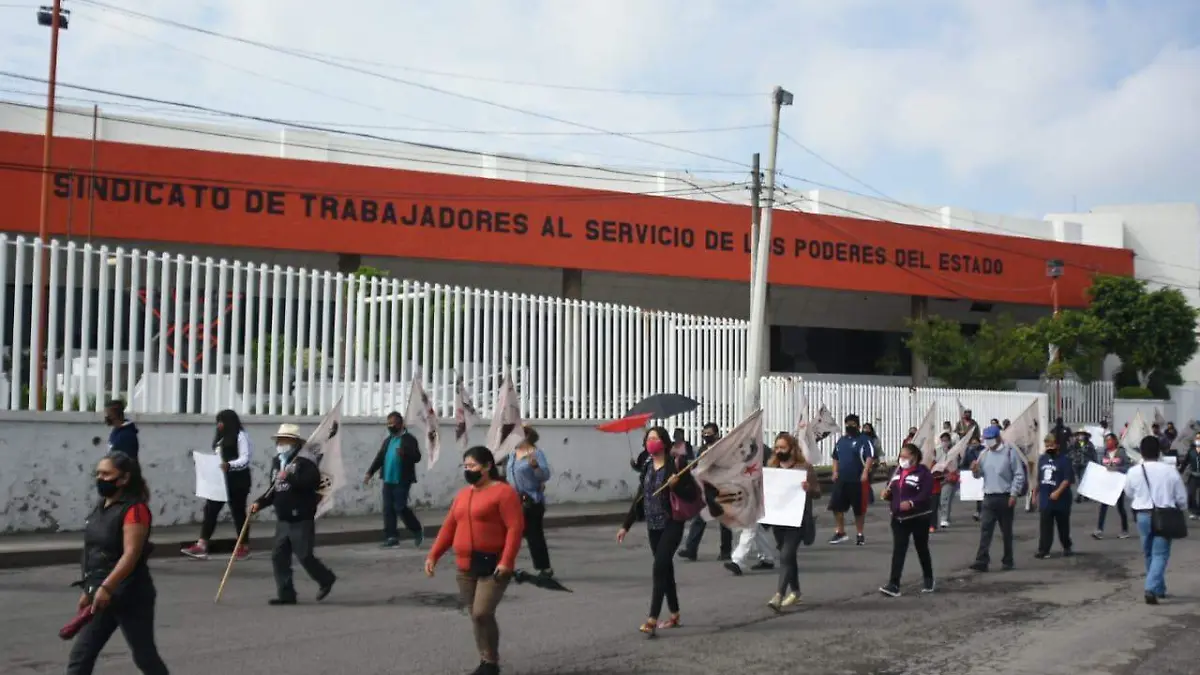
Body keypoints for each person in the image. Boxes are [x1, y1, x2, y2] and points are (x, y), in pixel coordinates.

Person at [67, 451, 169, 675]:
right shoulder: (101, 506)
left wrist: (107, 587)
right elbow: (93, 550)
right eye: (98, 474)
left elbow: (131, 554)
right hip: (103, 594)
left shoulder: (135, 510)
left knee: (145, 657)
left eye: (106, 474)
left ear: (124, 479)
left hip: (130, 594)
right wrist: (89, 588)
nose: (100, 479)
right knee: (80, 658)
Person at [426, 446, 524, 675]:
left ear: (488, 466)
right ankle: (486, 661)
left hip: (494, 564)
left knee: (482, 612)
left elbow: (515, 528)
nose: (468, 470)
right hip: (465, 565)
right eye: (465, 466)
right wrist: (433, 555)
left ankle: (491, 660)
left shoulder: (503, 492)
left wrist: (507, 561)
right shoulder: (463, 495)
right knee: (476, 616)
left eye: (472, 466)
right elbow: (449, 527)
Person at [616, 426, 700, 637]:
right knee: (666, 570)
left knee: (659, 567)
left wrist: (676, 486)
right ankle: (675, 613)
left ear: (663, 442)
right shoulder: (647, 466)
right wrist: (625, 525)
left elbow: (692, 494)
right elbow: (640, 496)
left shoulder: (676, 465)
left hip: (672, 523)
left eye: (654, 438)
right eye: (648, 438)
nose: (650, 442)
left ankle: (652, 618)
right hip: (653, 525)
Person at [250, 423, 336, 605]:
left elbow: (310, 483)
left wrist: (288, 476)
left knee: (304, 555)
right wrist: (260, 503)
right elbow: (273, 490)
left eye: (286, 441)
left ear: (295, 443)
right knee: (279, 556)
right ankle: (286, 594)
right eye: (280, 441)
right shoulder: (277, 463)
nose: (282, 444)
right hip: (283, 519)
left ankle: (325, 578)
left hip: (301, 518)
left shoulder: (306, 463)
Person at [1125, 435, 1189, 605]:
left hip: (1142, 515)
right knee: (1160, 554)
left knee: (1148, 553)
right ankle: (1151, 588)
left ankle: (1158, 588)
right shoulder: (1169, 470)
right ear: (1159, 451)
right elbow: (1181, 498)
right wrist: (1180, 509)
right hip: (1164, 515)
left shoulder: (1134, 471)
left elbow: (1129, 493)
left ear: (1141, 452)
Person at [182, 409, 253, 561]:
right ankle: (202, 544)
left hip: (237, 480)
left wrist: (230, 465)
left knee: (238, 513)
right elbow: (217, 457)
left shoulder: (241, 436)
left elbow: (245, 458)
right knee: (210, 510)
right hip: (220, 480)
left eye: (222, 421)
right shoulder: (220, 439)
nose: (219, 424)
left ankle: (243, 545)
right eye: (218, 421)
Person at [765, 432, 819, 610]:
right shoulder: (772, 468)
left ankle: (778, 595)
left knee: (786, 555)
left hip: (798, 520)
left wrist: (809, 488)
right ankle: (795, 592)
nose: (779, 451)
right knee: (788, 557)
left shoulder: (804, 468)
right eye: (777, 447)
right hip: (779, 520)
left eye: (783, 447)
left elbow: (817, 492)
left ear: (792, 449)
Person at [879, 443, 935, 597]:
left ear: (915, 457)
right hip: (899, 518)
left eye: (905, 456)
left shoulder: (923, 473)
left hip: (918, 517)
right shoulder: (895, 472)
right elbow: (893, 492)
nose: (901, 459)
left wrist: (912, 503)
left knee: (921, 547)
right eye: (900, 456)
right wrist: (887, 495)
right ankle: (894, 584)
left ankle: (928, 578)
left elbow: (925, 494)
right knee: (899, 550)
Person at [969, 424, 1027, 573]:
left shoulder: (1009, 453)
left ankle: (1008, 560)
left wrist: (1014, 494)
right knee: (985, 529)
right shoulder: (984, 454)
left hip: (1005, 496)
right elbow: (979, 474)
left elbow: (1019, 475)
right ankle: (982, 559)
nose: (988, 442)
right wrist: (975, 470)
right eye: (986, 439)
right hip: (989, 496)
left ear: (998, 438)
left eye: (991, 439)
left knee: (1006, 531)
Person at [364, 412, 424, 548]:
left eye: (394, 423)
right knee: (388, 509)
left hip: (402, 480)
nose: (391, 426)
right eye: (389, 424)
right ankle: (391, 536)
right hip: (388, 479)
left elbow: (417, 457)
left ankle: (417, 529)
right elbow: (380, 457)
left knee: (400, 507)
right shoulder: (388, 440)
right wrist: (370, 472)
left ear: (401, 424)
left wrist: (405, 453)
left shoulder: (409, 439)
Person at [677, 423, 733, 561]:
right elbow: (696, 467)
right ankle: (691, 549)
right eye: (704, 433)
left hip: (721, 488)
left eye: (709, 433)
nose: (706, 436)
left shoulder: (723, 448)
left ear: (716, 434)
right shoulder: (702, 449)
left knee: (724, 520)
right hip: (705, 488)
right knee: (699, 518)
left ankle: (725, 551)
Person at [506, 425, 553, 578]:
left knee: (534, 535)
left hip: (531, 501)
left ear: (526, 436)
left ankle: (544, 568)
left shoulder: (536, 453)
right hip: (514, 501)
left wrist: (535, 467)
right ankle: (504, 565)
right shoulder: (513, 454)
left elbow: (544, 475)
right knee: (510, 534)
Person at [828, 413, 875, 545]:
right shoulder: (841, 441)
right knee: (836, 507)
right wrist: (834, 472)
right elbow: (835, 457)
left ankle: (860, 534)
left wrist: (865, 472)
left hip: (857, 480)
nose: (850, 426)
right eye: (847, 424)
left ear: (858, 426)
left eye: (853, 424)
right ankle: (840, 532)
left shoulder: (864, 440)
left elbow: (870, 457)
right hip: (842, 479)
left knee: (858, 509)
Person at [1035, 433, 1075, 559]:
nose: (1049, 447)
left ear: (1057, 445)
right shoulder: (1042, 459)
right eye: (1047, 445)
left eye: (1051, 445)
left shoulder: (1064, 460)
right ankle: (1044, 549)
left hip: (1061, 500)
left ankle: (1066, 546)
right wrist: (1034, 494)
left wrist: (1058, 492)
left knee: (1063, 525)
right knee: (1045, 525)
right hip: (1046, 498)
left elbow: (1067, 479)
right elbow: (1038, 479)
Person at [1094, 432, 1131, 539]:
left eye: (1109, 440)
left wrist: (1117, 469)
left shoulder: (1121, 452)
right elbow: (1100, 466)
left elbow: (1128, 467)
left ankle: (1125, 530)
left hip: (1118, 484)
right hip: (1107, 484)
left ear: (1115, 441)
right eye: (1106, 440)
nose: (1107, 442)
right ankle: (1099, 530)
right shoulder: (1104, 453)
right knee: (1103, 507)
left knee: (1120, 507)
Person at [1069, 430, 1097, 504]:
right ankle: (1082, 494)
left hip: (1085, 464)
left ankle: (1080, 495)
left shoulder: (1089, 444)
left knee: (1082, 479)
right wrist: (1072, 457)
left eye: (1082, 435)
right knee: (1077, 479)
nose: (1080, 436)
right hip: (1075, 464)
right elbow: (1069, 452)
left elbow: (1093, 453)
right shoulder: (1074, 444)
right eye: (1079, 435)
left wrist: (1095, 462)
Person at [1183, 431, 1200, 519]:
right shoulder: (1191, 451)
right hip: (1193, 475)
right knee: (1190, 494)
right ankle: (1194, 512)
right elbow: (1185, 462)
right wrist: (1180, 470)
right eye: (1197, 438)